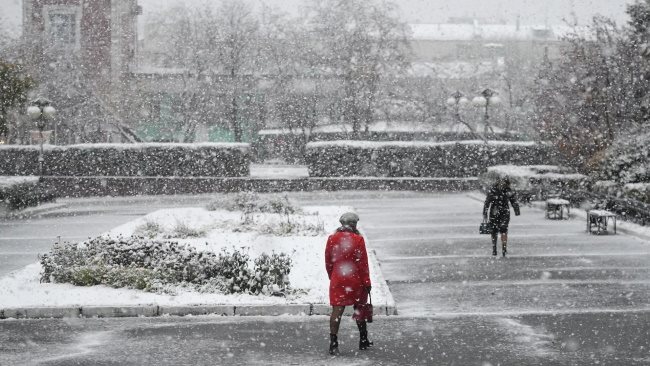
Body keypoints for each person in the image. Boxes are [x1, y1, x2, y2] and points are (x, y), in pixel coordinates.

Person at [325, 212, 372, 355]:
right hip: (355, 280)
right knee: (359, 308)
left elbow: (328, 261)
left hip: (338, 279)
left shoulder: (332, 239)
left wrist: (332, 276)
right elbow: (363, 264)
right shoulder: (358, 239)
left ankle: (333, 343)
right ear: (354, 225)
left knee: (337, 311)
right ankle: (363, 340)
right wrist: (367, 282)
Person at [483, 176, 520, 257]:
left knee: (503, 229)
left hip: (503, 212)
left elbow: (513, 200)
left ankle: (503, 248)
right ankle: (494, 248)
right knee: (494, 231)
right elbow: (487, 202)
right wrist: (485, 212)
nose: (502, 183)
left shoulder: (506, 190)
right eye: (501, 182)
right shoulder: (493, 190)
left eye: (504, 182)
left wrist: (517, 210)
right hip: (495, 212)